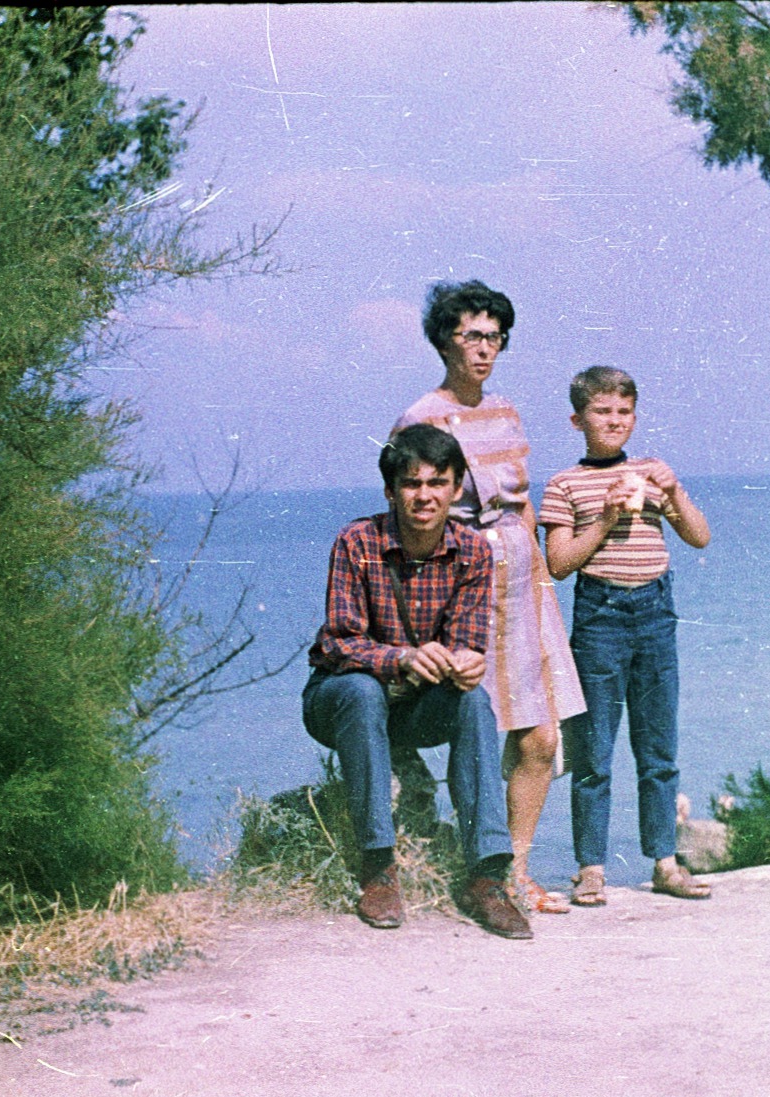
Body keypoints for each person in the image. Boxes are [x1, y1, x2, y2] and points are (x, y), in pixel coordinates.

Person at [393, 280, 585, 916]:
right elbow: (413, 512)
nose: (484, 349)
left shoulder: (505, 411)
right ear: (445, 339)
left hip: (522, 583)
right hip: (466, 584)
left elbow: (524, 501)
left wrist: (538, 573)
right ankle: (482, 871)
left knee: (541, 737)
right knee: (479, 729)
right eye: (472, 335)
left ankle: (519, 869)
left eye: (494, 337)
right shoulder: (421, 416)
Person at [302, 423, 532, 939]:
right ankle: (378, 865)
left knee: (474, 701)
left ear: (455, 490)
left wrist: (467, 662)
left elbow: (469, 640)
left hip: (417, 707)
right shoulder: (357, 542)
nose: (424, 496)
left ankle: (487, 876)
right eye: (411, 483)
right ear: (390, 491)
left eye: (437, 483)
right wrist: (402, 658)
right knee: (361, 690)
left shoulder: (473, 551)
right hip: (342, 702)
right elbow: (339, 642)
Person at [539, 366, 714, 907]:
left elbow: (699, 536)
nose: (613, 421)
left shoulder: (650, 472)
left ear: (634, 417)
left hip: (656, 612)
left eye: (623, 412)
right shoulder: (565, 483)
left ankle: (664, 860)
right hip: (601, 616)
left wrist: (674, 489)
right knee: (594, 750)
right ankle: (591, 868)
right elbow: (560, 562)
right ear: (577, 419)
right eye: (601, 412)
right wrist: (608, 517)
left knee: (658, 745)